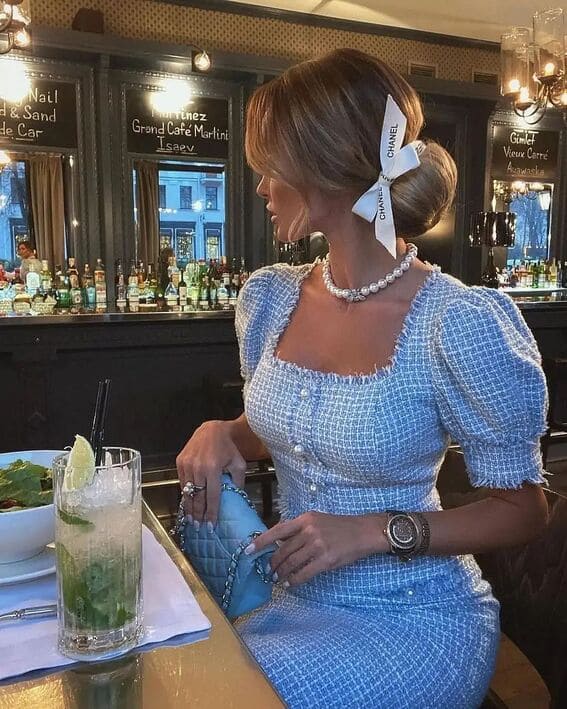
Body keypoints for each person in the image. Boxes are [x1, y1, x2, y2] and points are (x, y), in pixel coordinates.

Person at [176, 48, 549, 708]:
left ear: (327, 166)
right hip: (284, 598)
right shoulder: (268, 298)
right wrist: (222, 431)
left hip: (414, 618)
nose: (261, 185)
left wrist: (377, 529)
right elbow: (285, 427)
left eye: (271, 164)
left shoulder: (456, 322)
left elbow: (523, 511)